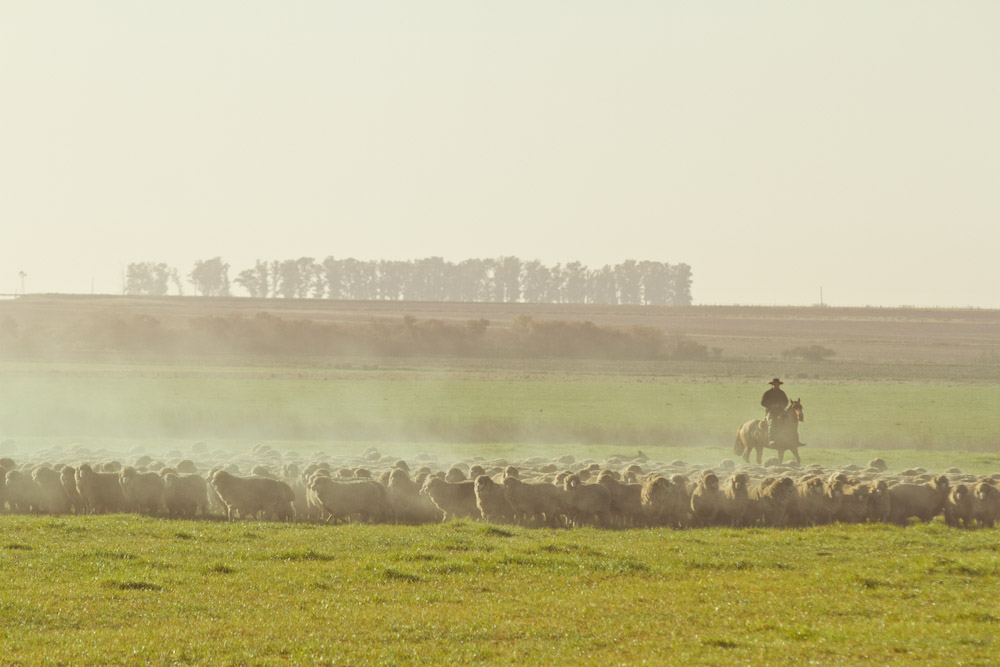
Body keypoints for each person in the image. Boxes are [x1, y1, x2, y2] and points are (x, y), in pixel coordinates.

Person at [760, 378, 789, 446]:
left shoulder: (782, 393)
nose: (776, 385)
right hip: (770, 411)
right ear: (772, 385)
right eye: (775, 384)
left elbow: (786, 402)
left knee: (788, 420)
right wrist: (771, 406)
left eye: (777, 384)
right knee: (772, 422)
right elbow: (762, 402)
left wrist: (781, 406)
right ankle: (771, 439)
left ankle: (789, 438)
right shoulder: (767, 393)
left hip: (780, 411)